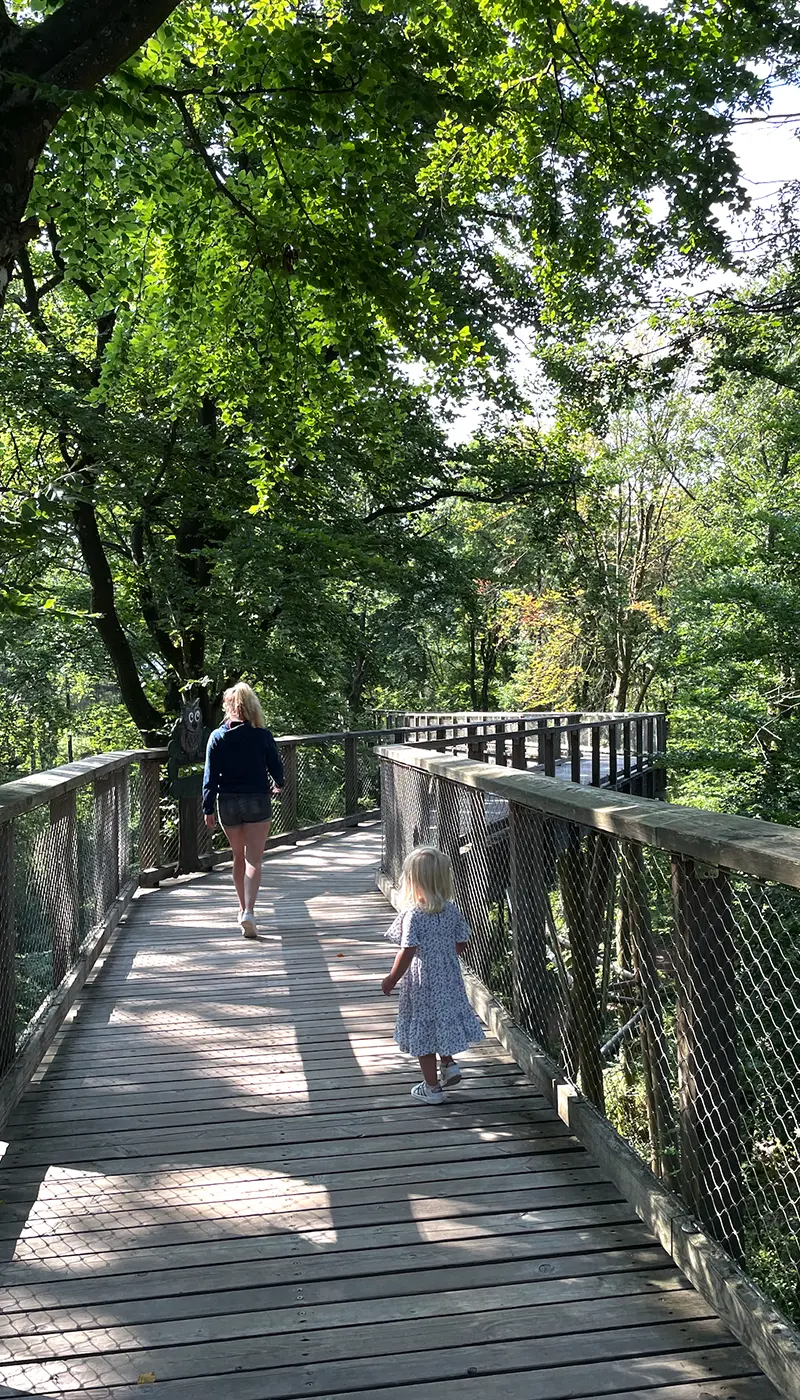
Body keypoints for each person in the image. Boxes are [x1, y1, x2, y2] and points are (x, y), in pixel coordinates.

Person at [381, 846, 485, 1104]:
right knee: (443, 1018)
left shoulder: (413, 914)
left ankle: (431, 1089)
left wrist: (391, 979)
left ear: (413, 881)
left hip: (422, 981)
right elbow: (463, 942)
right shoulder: (450, 910)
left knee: (425, 1030)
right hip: (448, 977)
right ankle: (448, 1064)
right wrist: (445, 955)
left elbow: (407, 951)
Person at [202, 682, 284, 937]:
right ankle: (249, 910)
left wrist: (208, 807)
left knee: (238, 856)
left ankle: (241, 909)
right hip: (257, 799)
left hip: (227, 802)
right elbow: (276, 767)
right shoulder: (262, 735)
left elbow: (210, 775)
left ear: (229, 706)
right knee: (254, 859)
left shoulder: (217, 737)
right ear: (252, 706)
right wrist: (278, 784)